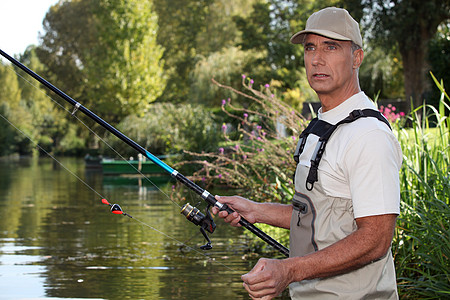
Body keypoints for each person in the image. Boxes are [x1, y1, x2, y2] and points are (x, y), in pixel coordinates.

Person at [212, 7, 402, 300]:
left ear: (357, 58)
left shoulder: (368, 135)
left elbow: (376, 239)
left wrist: (289, 271)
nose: (317, 58)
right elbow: (318, 217)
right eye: (310, 47)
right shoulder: (323, 125)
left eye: (331, 47)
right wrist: (256, 210)